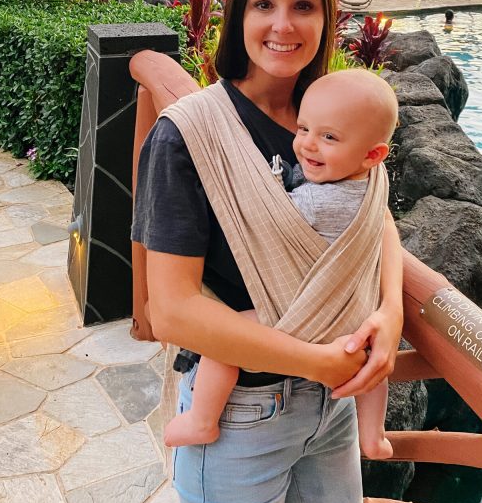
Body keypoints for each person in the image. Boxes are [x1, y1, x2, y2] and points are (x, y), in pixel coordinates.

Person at [133, 0, 403, 503]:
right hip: (240, 415)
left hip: (333, 409)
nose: (284, 24)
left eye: (304, 6)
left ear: (326, 19)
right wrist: (319, 361)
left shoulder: (334, 118)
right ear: (238, 16)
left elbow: (376, 219)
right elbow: (171, 310)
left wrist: (390, 313)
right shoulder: (190, 136)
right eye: (264, 4)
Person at [162, 68, 399, 462]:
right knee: (375, 368)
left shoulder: (320, 202)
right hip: (356, 320)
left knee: (224, 342)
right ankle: (373, 436)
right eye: (303, 129)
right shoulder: (370, 185)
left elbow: (273, 216)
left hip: (303, 316)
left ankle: (202, 419)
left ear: (373, 155)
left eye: (329, 137)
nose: (307, 145)